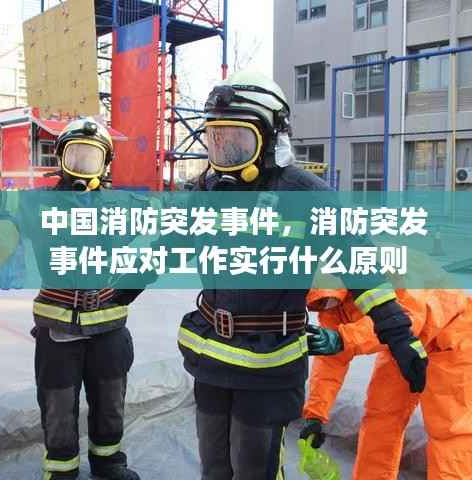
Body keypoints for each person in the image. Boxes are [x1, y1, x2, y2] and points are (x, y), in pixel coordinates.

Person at [177, 70, 429, 480]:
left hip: (268, 368)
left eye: (239, 140)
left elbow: (361, 268)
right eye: (217, 139)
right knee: (214, 468)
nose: (226, 152)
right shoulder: (203, 193)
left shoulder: (307, 195)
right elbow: (160, 249)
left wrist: (399, 334)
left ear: (271, 139)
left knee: (255, 470)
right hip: (210, 361)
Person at [28, 118, 148, 480]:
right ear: (61, 159)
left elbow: (161, 248)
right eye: (75, 155)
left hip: (109, 327)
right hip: (57, 329)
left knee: (110, 401)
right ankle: (61, 469)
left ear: (105, 163)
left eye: (91, 157)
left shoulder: (124, 208)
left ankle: (108, 463)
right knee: (58, 403)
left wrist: (130, 287)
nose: (82, 164)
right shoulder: (36, 205)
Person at [302, 283, 472, 480]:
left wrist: (344, 338)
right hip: (402, 347)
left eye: (327, 298)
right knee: (380, 418)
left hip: (452, 336)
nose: (326, 305)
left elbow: (408, 316)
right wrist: (315, 414)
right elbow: (330, 361)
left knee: (449, 431)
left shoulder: (389, 272)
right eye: (319, 302)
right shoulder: (331, 308)